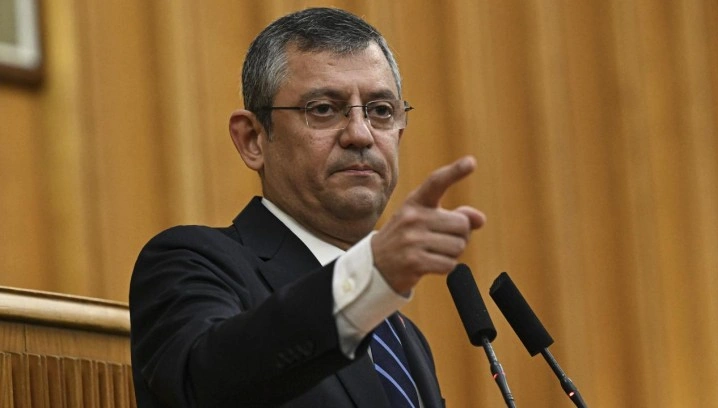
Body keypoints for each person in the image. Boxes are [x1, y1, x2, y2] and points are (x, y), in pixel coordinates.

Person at [129, 7, 486, 408]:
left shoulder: (403, 337)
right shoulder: (191, 262)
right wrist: (371, 275)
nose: (360, 134)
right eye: (323, 109)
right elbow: (204, 385)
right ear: (252, 139)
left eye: (381, 111)